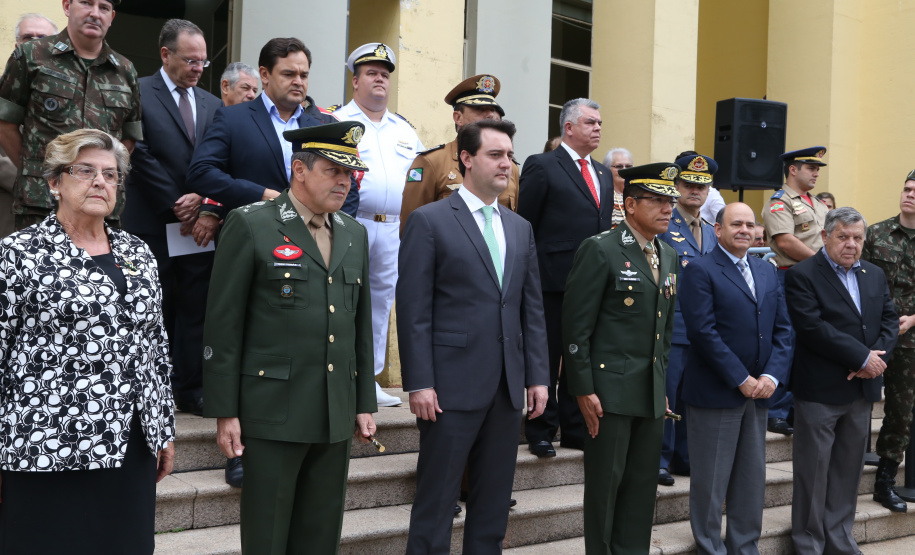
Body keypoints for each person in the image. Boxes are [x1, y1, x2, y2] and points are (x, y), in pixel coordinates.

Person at [202, 120, 377, 553]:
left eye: (350, 173)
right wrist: (225, 411)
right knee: (268, 533)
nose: (345, 181)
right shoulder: (251, 225)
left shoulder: (353, 232)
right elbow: (223, 326)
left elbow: (360, 325)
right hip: (272, 409)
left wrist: (363, 403)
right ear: (299, 169)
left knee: (320, 535)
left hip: (334, 410)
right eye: (333, 171)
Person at [0, 129, 175, 554]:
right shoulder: (19, 253)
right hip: (45, 445)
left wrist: (163, 427)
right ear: (55, 182)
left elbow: (156, 347)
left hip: (130, 442)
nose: (100, 181)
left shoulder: (138, 252)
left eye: (111, 175)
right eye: (85, 171)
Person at [398, 119, 549, 553]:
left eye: (510, 156)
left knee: (494, 502)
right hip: (449, 387)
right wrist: (420, 382)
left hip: (505, 389)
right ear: (466, 158)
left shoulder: (519, 228)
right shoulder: (430, 221)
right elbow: (413, 311)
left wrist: (537, 376)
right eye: (495, 155)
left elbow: (531, 309)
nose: (507, 165)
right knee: (437, 500)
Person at [120, 18, 230, 482]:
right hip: (152, 221)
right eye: (189, 60)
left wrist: (206, 205)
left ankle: (192, 387)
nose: (197, 69)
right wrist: (177, 202)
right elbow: (138, 152)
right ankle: (154, 389)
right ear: (165, 55)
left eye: (202, 61)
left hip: (201, 227)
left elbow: (220, 158)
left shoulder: (211, 102)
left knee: (197, 306)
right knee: (156, 307)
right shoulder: (140, 91)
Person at [563, 162, 680, 554]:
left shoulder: (668, 254)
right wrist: (582, 388)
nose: (668, 208)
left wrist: (660, 385)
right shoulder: (601, 249)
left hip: (649, 392)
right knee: (604, 490)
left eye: (671, 201)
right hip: (608, 392)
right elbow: (576, 328)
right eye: (659, 201)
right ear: (630, 204)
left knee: (642, 488)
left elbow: (663, 331)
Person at [679, 203, 793, 555]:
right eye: (736, 224)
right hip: (716, 392)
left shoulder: (766, 270)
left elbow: (784, 330)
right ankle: (711, 547)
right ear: (718, 229)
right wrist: (740, 377)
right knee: (711, 482)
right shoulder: (700, 270)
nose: (744, 230)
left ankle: (745, 547)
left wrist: (772, 376)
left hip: (758, 394)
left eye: (749, 224)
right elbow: (703, 332)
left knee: (750, 479)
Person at [786, 207, 898, 554]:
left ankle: (839, 540)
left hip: (861, 391)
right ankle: (808, 544)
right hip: (820, 390)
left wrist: (874, 360)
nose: (851, 244)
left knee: (848, 472)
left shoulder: (874, 274)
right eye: (843, 237)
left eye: (857, 238)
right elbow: (813, 328)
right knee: (813, 474)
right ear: (825, 237)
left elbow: (889, 321)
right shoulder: (803, 274)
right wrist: (860, 357)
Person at [187, 37, 358, 249]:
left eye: (304, 75)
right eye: (289, 74)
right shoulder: (233, 118)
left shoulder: (320, 126)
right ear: (265, 75)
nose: (298, 81)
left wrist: (333, 230)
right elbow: (200, 173)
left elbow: (348, 187)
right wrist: (261, 195)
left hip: (311, 245)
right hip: (251, 242)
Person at [517, 98, 614, 458]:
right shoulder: (543, 165)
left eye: (600, 123)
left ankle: (575, 428)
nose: (598, 128)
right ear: (569, 127)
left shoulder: (603, 173)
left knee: (581, 356)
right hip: (551, 279)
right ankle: (541, 429)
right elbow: (525, 225)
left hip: (593, 283)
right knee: (548, 354)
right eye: (590, 122)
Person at [331, 42, 424, 408]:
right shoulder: (336, 122)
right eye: (371, 73)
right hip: (351, 223)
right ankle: (338, 374)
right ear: (355, 81)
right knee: (341, 297)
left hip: (393, 228)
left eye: (385, 75)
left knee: (381, 301)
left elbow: (419, 177)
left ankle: (367, 379)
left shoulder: (404, 130)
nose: (379, 80)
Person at [0, 0, 142, 230]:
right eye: (86, 3)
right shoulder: (31, 56)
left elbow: (128, 137)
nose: (95, 14)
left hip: (99, 208)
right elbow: (5, 122)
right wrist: (41, 172)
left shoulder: (125, 71)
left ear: (112, 17)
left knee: (96, 266)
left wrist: (99, 177)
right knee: (39, 266)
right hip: (42, 202)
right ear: (67, 6)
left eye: (103, 8)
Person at [656, 153, 719, 486]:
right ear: (676, 184)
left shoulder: (709, 231)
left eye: (702, 185)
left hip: (703, 328)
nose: (695, 191)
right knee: (667, 394)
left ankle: (685, 455)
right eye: (688, 184)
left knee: (691, 397)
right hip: (674, 323)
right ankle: (660, 459)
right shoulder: (666, 224)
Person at [761, 146, 830, 436]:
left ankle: (795, 409)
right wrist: (823, 264)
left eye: (817, 168)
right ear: (793, 169)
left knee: (811, 343)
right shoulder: (780, 202)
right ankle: (775, 411)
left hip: (817, 280)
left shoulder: (819, 204)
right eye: (810, 167)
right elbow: (786, 242)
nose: (816, 173)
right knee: (786, 341)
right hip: (790, 277)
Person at [400, 73, 519, 236]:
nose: (490, 115)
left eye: (493, 110)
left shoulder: (510, 167)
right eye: (480, 109)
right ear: (458, 117)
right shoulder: (432, 162)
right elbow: (412, 230)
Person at [862, 170, 915, 513]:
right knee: (856, 402)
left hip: (910, 339)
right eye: (907, 189)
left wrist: (913, 319)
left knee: (900, 412)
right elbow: (859, 277)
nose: (909, 195)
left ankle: (885, 481)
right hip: (871, 334)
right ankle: (841, 468)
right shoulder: (877, 233)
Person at [1, 13, 60, 237]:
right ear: (17, 45)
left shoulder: (70, 96)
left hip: (55, 219)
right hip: (7, 212)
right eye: (28, 37)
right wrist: (34, 181)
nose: (35, 43)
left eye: (43, 38)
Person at [603, 147, 633, 228]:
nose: (624, 170)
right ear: (607, 169)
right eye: (619, 166)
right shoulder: (603, 195)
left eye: (628, 166)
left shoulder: (637, 194)